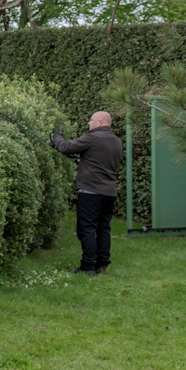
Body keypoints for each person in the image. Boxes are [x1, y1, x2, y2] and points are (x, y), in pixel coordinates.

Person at [51, 111, 123, 275]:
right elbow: (99, 161)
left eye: (91, 120)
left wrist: (57, 137)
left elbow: (65, 147)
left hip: (90, 191)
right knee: (103, 229)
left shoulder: (92, 137)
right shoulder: (117, 141)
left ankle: (88, 266)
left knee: (87, 229)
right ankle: (101, 266)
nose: (89, 123)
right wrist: (81, 159)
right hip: (109, 192)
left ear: (99, 122)